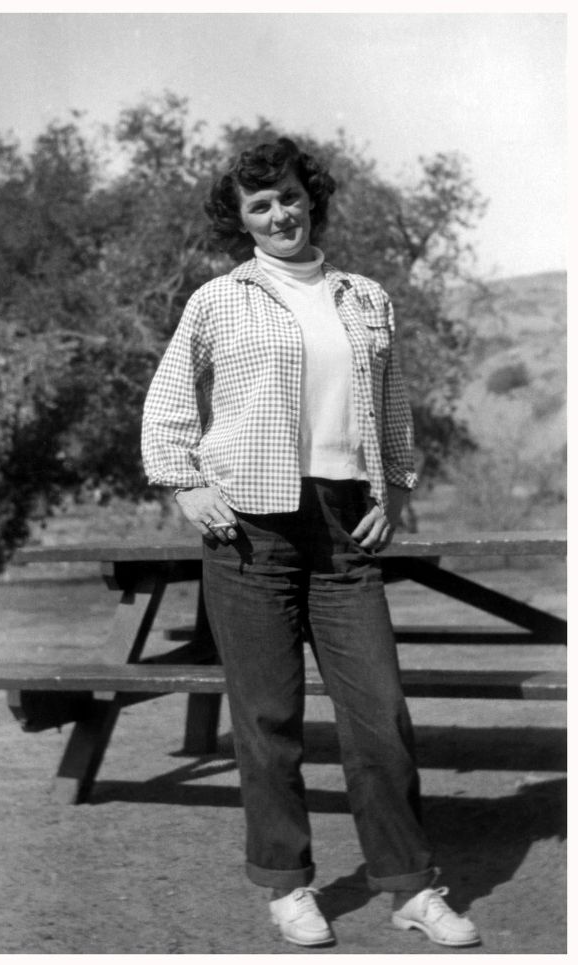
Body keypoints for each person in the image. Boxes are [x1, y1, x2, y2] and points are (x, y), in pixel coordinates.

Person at [141, 136, 480, 950]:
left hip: (344, 527)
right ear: (243, 219)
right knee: (268, 719)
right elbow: (168, 399)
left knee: (380, 715)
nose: (279, 214)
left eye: (289, 196)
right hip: (249, 532)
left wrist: (394, 489)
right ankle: (288, 884)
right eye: (260, 205)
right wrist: (186, 483)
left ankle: (410, 886)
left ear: (311, 198)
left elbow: (392, 405)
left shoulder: (365, 298)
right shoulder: (219, 299)